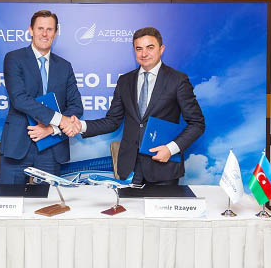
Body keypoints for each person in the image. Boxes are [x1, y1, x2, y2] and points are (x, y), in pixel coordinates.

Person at [67, 27, 204, 185]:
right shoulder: (125, 81)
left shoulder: (177, 80)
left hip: (163, 168)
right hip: (129, 168)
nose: (144, 53)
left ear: (161, 49)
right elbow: (112, 121)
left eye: (150, 47)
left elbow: (197, 123)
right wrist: (81, 126)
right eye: (139, 49)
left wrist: (170, 149)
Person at [0, 10, 83, 184]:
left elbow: (76, 106)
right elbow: (19, 99)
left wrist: (51, 129)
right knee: (9, 198)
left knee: (49, 200)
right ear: (31, 30)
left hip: (51, 147)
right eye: (40, 28)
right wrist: (60, 119)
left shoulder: (65, 66)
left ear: (55, 33)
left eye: (49, 29)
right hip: (18, 145)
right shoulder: (14, 58)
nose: (44, 34)